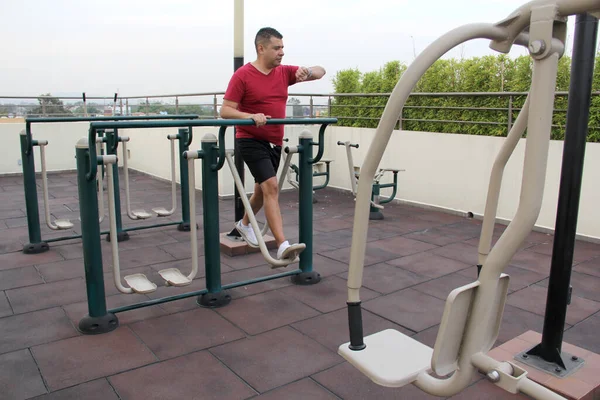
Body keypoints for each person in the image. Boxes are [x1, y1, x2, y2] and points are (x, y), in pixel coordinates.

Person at [220, 27, 326, 261]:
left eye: (282, 48)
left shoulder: (284, 73)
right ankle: (282, 245)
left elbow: (321, 71)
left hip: (274, 142)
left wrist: (306, 70)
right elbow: (225, 110)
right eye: (276, 48)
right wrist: (250, 116)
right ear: (261, 48)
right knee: (271, 187)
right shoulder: (243, 75)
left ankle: (244, 224)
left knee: (261, 191)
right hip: (250, 139)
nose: (281, 53)